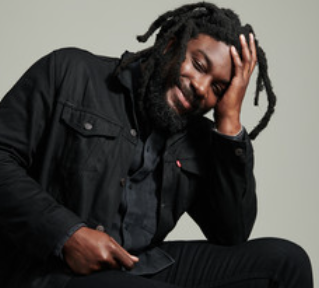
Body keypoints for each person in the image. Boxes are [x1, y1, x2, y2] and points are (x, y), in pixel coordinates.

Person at [0, 2, 313, 288]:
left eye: (218, 87)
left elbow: (231, 234)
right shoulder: (71, 72)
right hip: (53, 269)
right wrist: (66, 235)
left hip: (140, 265)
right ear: (172, 45)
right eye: (199, 65)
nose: (201, 88)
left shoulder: (197, 136)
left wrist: (228, 120)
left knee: (286, 262)